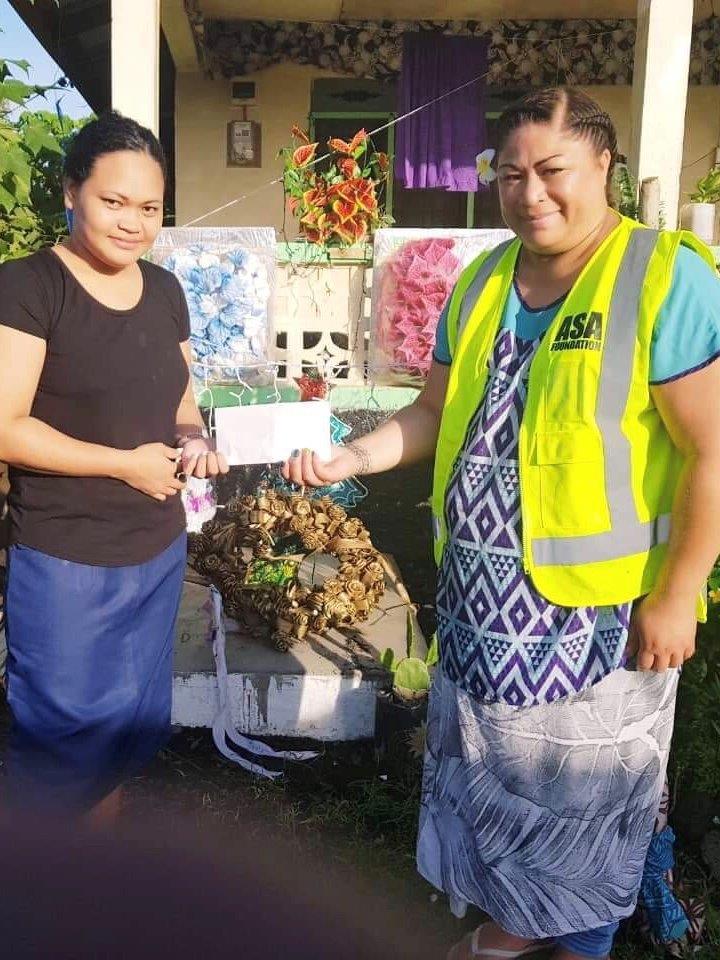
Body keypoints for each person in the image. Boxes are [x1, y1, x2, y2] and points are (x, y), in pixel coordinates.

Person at [283, 88, 720, 960]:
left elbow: (711, 447)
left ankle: (534, 944)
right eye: (511, 174)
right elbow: (433, 410)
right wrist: (352, 456)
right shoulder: (483, 282)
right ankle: (515, 930)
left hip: (596, 618)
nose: (530, 193)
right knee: (498, 794)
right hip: (484, 609)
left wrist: (678, 593)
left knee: (589, 813)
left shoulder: (664, 277)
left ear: (605, 164)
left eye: (553, 170)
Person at [0, 112, 228, 820]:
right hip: (66, 558)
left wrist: (194, 439)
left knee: (126, 725)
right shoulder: (29, 286)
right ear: (71, 192)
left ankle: (99, 859)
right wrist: (123, 465)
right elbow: (6, 427)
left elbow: (181, 401)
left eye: (150, 208)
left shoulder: (165, 290)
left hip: (155, 550)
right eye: (114, 201)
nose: (133, 223)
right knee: (59, 740)